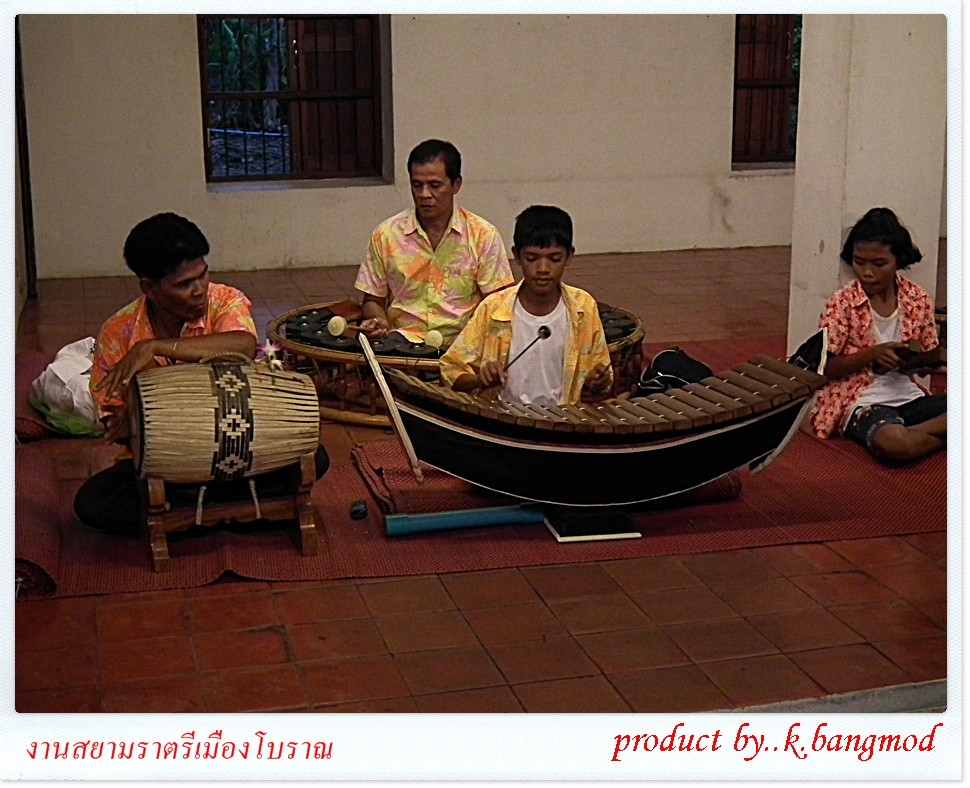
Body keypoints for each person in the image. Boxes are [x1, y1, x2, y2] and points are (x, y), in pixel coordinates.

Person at [74, 212, 327, 535]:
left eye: (203, 275)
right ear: (149, 289)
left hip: (236, 450)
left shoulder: (224, 301)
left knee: (313, 457)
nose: (199, 290)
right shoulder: (117, 333)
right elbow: (114, 423)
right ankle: (234, 509)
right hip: (164, 466)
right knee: (93, 503)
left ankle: (186, 516)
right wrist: (130, 421)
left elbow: (243, 345)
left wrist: (156, 347)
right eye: (184, 284)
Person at [808, 207, 945, 463]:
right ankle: (931, 436)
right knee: (892, 441)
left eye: (879, 264)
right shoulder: (843, 302)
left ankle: (915, 437)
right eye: (859, 262)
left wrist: (921, 359)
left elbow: (927, 362)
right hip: (861, 401)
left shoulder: (917, 299)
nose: (867, 272)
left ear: (898, 261)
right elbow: (823, 368)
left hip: (909, 396)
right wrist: (873, 355)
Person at [439, 205, 612, 407]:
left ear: (569, 257)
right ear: (517, 256)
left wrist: (597, 381)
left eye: (554, 259)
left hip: (564, 418)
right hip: (504, 416)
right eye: (531, 259)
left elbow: (602, 376)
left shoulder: (583, 307)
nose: (543, 269)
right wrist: (480, 379)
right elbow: (451, 370)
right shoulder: (494, 308)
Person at [354, 139, 514, 345]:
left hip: (463, 345)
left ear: (456, 185)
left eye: (435, 186)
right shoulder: (385, 235)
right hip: (402, 342)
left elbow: (498, 305)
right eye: (417, 185)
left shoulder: (483, 235)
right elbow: (372, 301)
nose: (424, 195)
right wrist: (378, 321)